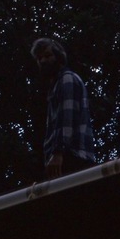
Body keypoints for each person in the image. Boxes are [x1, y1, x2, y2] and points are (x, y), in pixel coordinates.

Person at [31, 37, 95, 179]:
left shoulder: (67, 79)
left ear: (59, 57)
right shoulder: (55, 86)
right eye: (39, 58)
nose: (43, 61)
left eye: (47, 55)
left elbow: (66, 119)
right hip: (64, 158)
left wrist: (58, 153)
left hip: (72, 157)